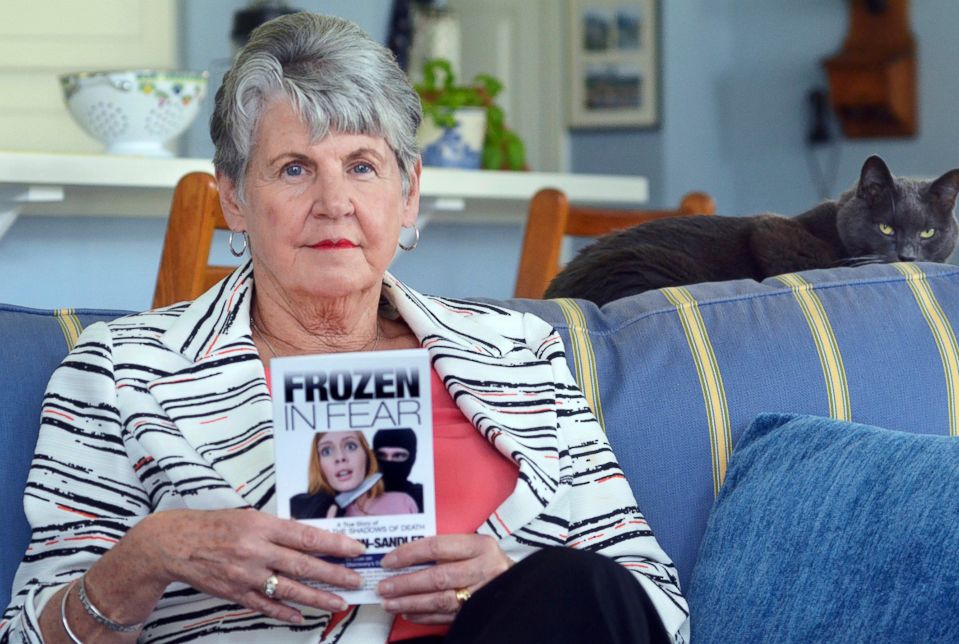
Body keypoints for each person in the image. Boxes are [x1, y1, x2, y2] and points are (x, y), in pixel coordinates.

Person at [0, 12, 688, 644]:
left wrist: (505, 580)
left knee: (577, 588)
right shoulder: (126, 373)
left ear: (408, 192)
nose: (335, 204)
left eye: (362, 167)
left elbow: (655, 607)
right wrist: (153, 554)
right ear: (234, 198)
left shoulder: (517, 355)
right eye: (295, 169)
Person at [291, 431, 418, 518]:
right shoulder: (298, 506)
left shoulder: (403, 502)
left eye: (350, 446)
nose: (340, 457)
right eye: (327, 451)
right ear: (318, 462)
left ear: (367, 454)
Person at [373, 427, 425, 511]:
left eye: (398, 456)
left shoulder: (422, 497)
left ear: (412, 458)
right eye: (381, 455)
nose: (388, 462)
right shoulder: (356, 497)